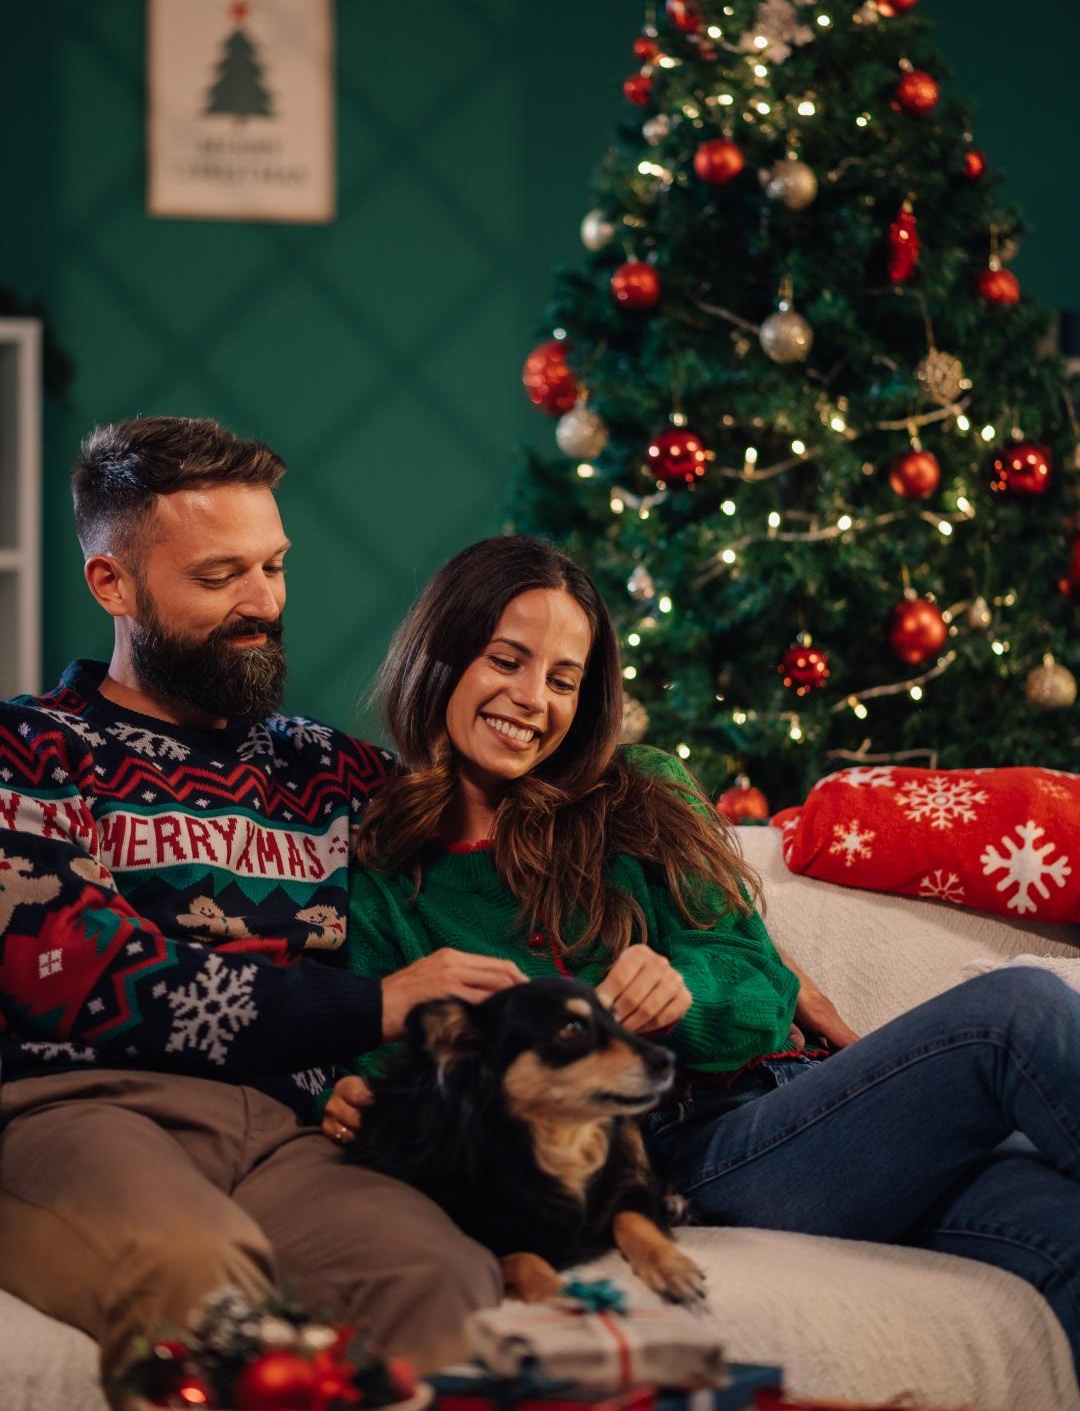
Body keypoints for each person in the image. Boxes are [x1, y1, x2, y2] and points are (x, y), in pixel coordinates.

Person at [324, 534, 1080, 1378]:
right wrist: (354, 1095)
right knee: (1015, 1009)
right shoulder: (386, 873)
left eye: (564, 680)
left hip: (816, 1104)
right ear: (440, 653)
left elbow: (760, 982)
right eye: (507, 660)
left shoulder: (639, 788)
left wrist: (685, 992)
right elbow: (395, 1077)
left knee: (1064, 1236)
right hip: (695, 1148)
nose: (533, 699)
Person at [0, 416, 519, 1387]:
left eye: (274, 567)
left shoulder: (327, 769)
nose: (263, 603)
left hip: (289, 1132)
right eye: (219, 576)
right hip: (77, 1111)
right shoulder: (27, 749)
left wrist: (737, 938)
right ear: (112, 583)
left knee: (438, 1276)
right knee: (197, 1276)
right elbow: (77, 973)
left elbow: (527, 839)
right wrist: (372, 1006)